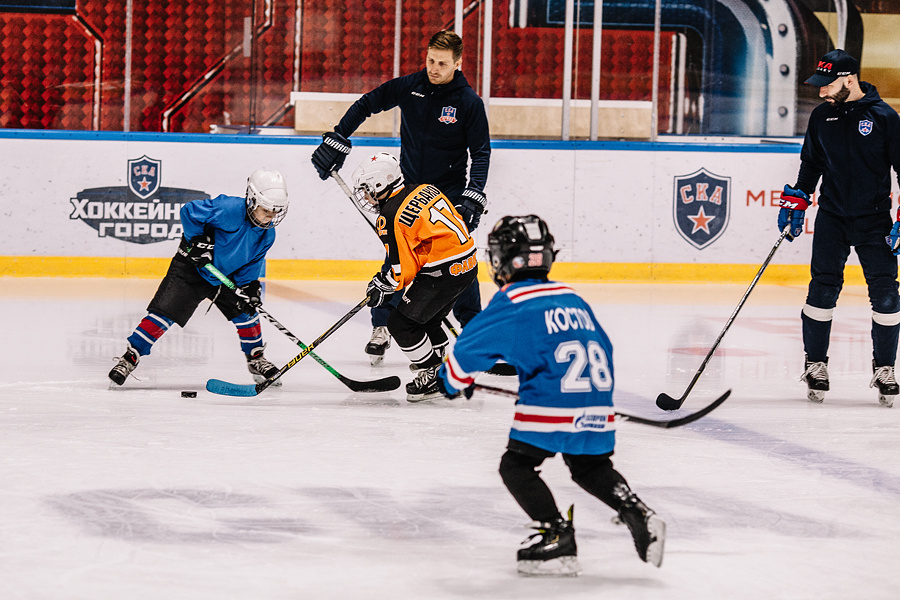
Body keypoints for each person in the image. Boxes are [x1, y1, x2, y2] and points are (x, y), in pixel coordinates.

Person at [436, 215, 665, 576]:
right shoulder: (570, 296)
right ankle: (635, 510)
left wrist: (449, 381)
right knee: (589, 466)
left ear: (505, 258)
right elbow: (601, 345)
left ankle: (556, 535)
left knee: (517, 467)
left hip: (551, 402)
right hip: (597, 397)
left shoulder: (512, 300)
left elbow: (462, 358)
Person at [310, 29, 490, 365]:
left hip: (446, 196)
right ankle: (381, 326)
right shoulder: (411, 87)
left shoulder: (468, 103)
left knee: (458, 260)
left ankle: (473, 330)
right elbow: (369, 103)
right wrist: (338, 136)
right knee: (397, 251)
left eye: (442, 63)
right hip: (406, 190)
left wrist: (474, 193)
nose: (434, 68)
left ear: (458, 63)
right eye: (431, 60)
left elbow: (481, 152)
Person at [778, 49, 900, 407]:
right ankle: (815, 364)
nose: (820, 92)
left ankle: (885, 368)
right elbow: (810, 165)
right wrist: (799, 198)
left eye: (826, 85)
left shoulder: (885, 118)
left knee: (886, 295)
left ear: (850, 79)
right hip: (831, 217)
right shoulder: (821, 117)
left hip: (875, 219)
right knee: (822, 290)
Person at [108, 169, 290, 387]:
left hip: (226, 277)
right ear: (251, 200)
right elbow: (189, 211)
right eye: (266, 210)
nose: (270, 217)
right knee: (163, 314)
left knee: (247, 314)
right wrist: (197, 241)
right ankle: (130, 357)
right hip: (191, 268)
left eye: (275, 211)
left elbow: (253, 262)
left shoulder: (267, 234)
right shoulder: (228, 208)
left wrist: (250, 286)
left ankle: (256, 359)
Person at [351, 152, 477, 402]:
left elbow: (403, 271)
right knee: (427, 320)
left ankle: (431, 375)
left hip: (443, 273)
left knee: (401, 324)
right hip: (467, 265)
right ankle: (443, 370)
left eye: (367, 189)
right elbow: (423, 248)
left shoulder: (389, 216)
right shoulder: (424, 189)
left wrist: (383, 285)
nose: (365, 196)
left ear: (379, 184)